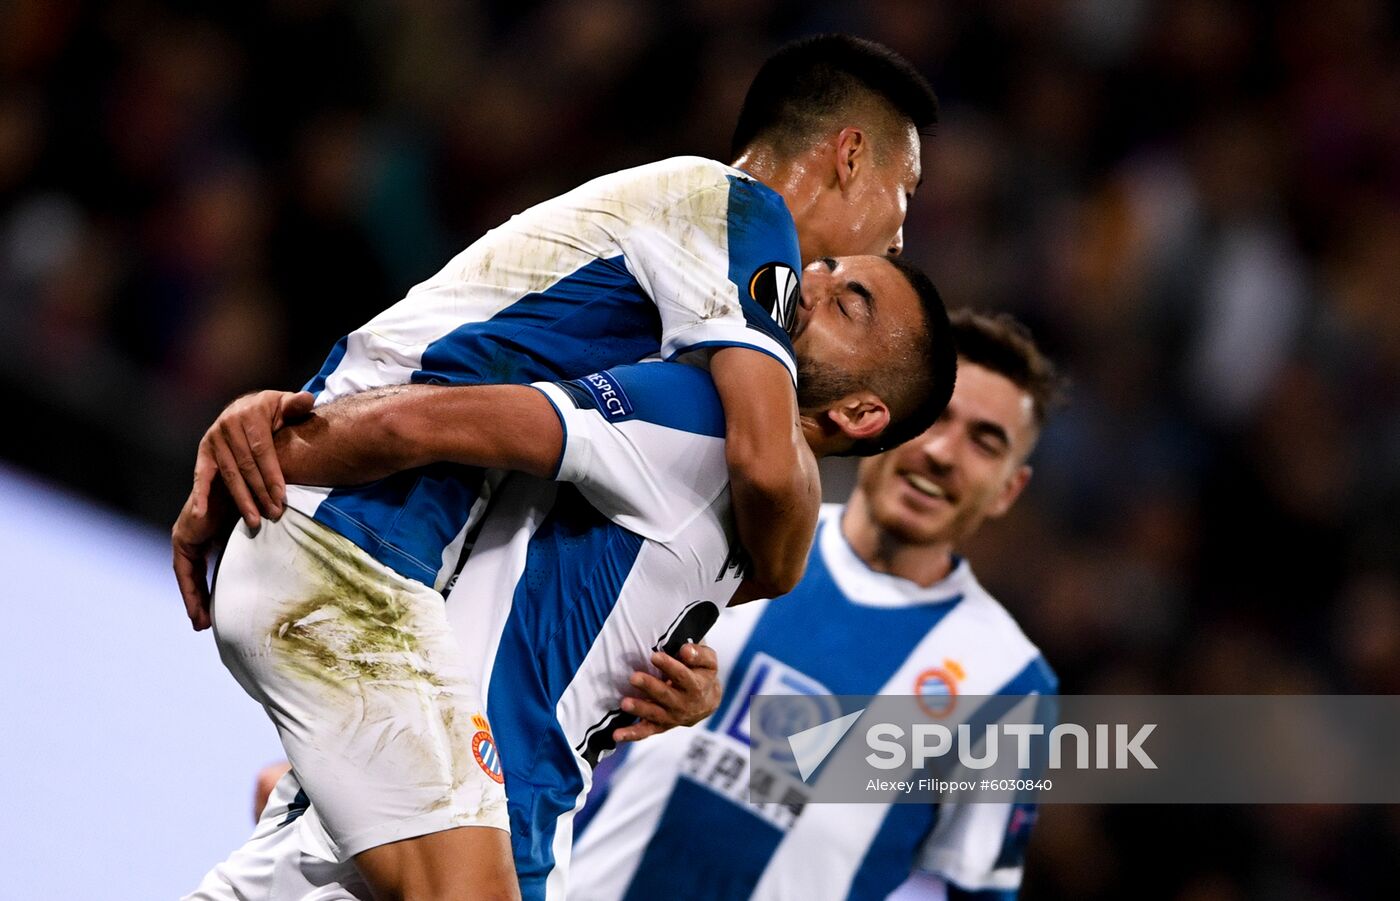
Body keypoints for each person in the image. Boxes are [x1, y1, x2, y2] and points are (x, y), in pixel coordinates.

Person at [175, 35, 939, 901]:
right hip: (352, 531)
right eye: (904, 193)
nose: (897, 233)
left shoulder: (700, 309)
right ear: (849, 154)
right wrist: (269, 445)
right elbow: (767, 468)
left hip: (372, 556)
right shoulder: (742, 223)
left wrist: (689, 653)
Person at [566, 308, 1065, 901]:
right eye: (936, 418)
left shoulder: (1010, 683)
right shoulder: (730, 532)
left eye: (985, 442)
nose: (943, 453)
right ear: (888, 417)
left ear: (1009, 488)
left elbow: (965, 888)